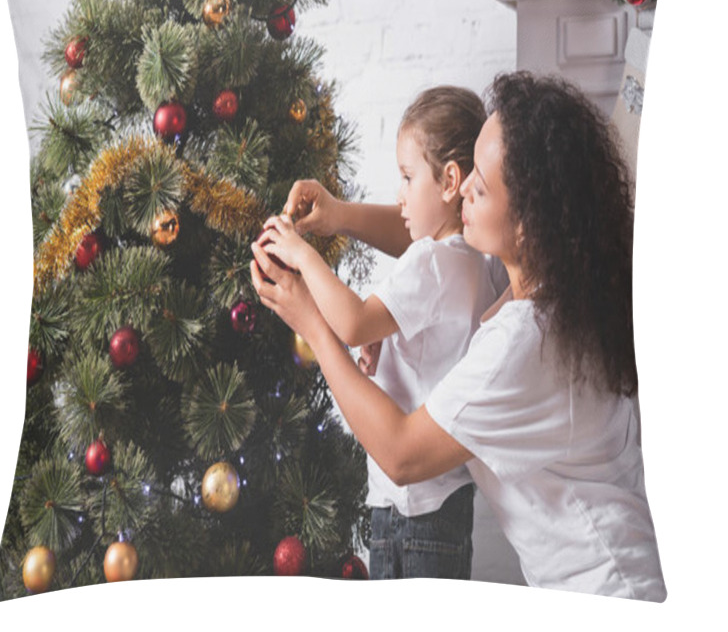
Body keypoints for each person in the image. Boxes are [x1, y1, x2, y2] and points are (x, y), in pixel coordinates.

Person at [251, 71, 666, 600]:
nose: (463, 186)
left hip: (608, 595)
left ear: (528, 221)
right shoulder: (538, 280)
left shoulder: (524, 342)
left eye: (482, 185)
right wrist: (341, 217)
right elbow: (430, 241)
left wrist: (310, 319)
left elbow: (401, 455)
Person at [258, 86, 507, 580]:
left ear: (449, 181)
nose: (398, 195)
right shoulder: (469, 260)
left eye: (408, 177)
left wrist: (301, 255)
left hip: (412, 514)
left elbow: (351, 323)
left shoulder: (435, 260)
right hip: (435, 506)